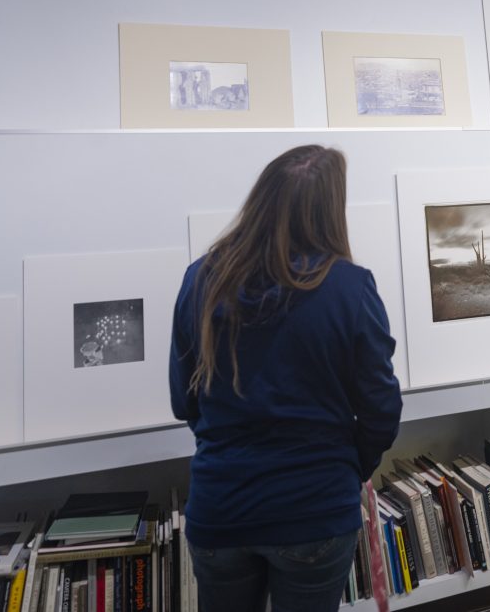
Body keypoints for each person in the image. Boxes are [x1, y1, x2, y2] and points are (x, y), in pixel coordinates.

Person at [168, 144, 402, 612]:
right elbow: (381, 409)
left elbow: (184, 402)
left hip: (221, 507)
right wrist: (349, 465)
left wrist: (230, 444)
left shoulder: (200, 280)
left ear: (262, 199)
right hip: (315, 509)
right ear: (329, 211)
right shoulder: (351, 288)